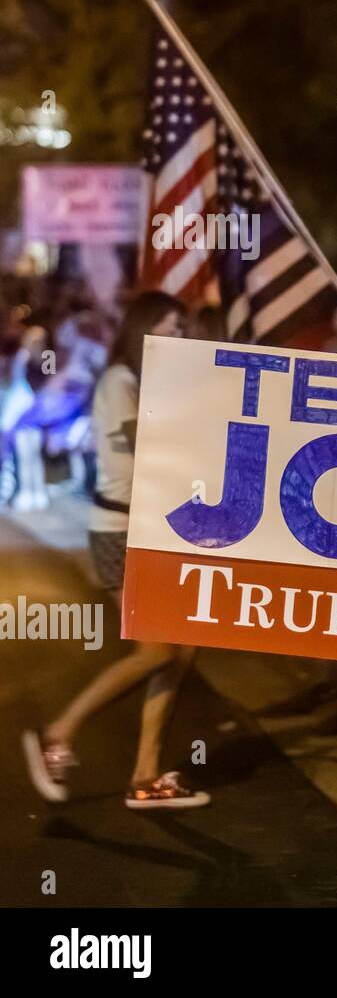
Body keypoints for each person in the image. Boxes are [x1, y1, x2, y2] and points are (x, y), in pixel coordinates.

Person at [22, 291, 210, 809]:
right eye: (173, 325)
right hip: (119, 532)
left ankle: (145, 776)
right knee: (156, 651)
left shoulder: (141, 383)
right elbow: (147, 448)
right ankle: (57, 733)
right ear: (146, 327)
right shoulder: (121, 382)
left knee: (181, 651)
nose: (179, 335)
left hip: (150, 532)